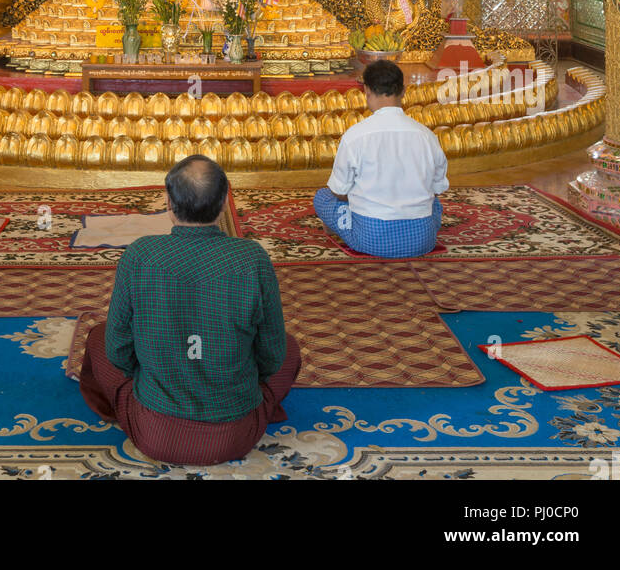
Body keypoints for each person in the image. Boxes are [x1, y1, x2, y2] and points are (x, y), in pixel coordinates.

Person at [79, 153, 301, 466]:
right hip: (235, 433)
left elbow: (118, 350)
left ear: (168, 203)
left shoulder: (140, 254)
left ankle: (119, 406)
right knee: (289, 348)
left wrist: (151, 374)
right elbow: (272, 355)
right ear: (225, 202)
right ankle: (257, 405)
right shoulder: (252, 259)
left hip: (154, 431)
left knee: (99, 337)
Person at [313, 58, 448, 258]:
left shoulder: (355, 135)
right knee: (435, 205)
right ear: (403, 91)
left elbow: (339, 191)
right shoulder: (426, 135)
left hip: (371, 238)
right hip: (421, 239)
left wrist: (364, 198)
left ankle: (345, 226)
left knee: (322, 197)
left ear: (366, 91)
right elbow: (437, 191)